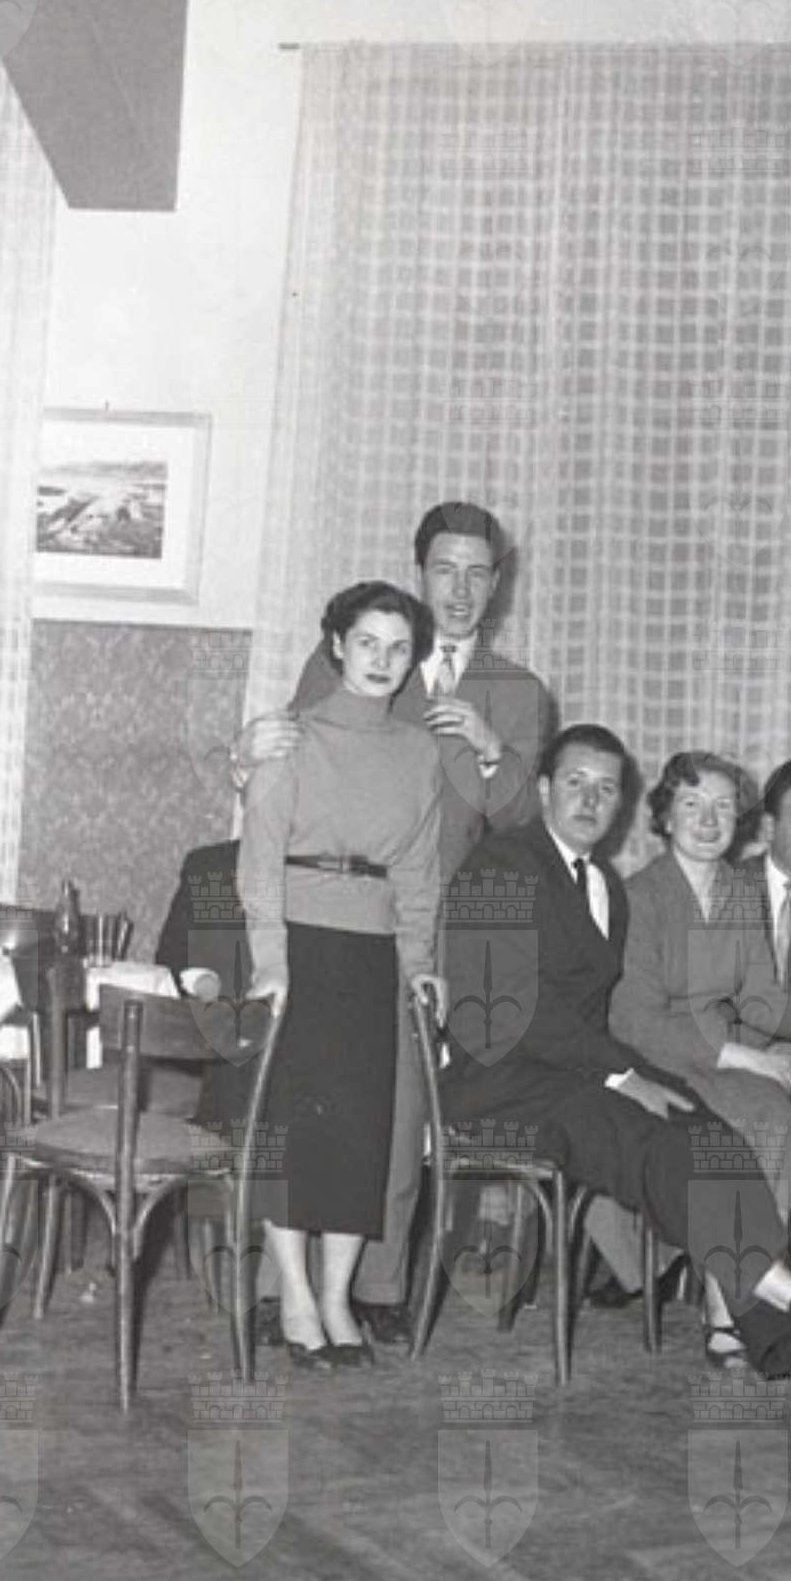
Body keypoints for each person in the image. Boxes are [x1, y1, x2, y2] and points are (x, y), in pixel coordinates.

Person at [441, 723, 791, 1424]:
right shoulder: (499, 864)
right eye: (575, 783)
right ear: (542, 790)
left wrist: (638, 1077)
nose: (590, 800)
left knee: (708, 1131)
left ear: (623, 803)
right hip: (499, 1086)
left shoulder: (602, 885)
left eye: (606, 788)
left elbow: (602, 1018)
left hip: (573, 1078)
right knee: (658, 1142)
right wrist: (621, 1075)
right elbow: (506, 1010)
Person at [231, 501, 555, 1343]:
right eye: (445, 569)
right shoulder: (357, 650)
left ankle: (371, 1289)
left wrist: (490, 749)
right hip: (330, 913)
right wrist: (239, 755)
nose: (460, 588)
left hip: (442, 920)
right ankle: (285, 1294)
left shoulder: (519, 692)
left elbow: (526, 820)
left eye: (477, 573)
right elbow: (284, 756)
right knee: (309, 1105)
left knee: (394, 1113)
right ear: (420, 574)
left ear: (498, 584)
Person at [237, 582, 445, 1369]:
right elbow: (259, 867)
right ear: (336, 646)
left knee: (362, 1137)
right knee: (296, 1135)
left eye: (399, 648)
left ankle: (336, 1297)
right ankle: (294, 1295)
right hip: (298, 950)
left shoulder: (419, 753)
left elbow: (419, 875)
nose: (382, 661)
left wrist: (419, 967)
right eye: (367, 643)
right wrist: (270, 964)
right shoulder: (289, 739)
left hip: (373, 956)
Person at [610, 753, 791, 1248]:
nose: (709, 820)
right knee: (737, 1124)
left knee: (772, 1112)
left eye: (723, 806)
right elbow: (635, 1021)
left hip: (717, 1063)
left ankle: (759, 1275)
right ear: (666, 817)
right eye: (693, 804)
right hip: (651, 1063)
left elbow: (760, 996)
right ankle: (732, 1274)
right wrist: (746, 1057)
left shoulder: (740, 893)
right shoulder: (638, 898)